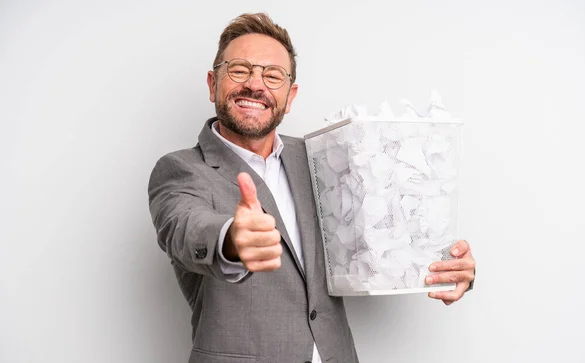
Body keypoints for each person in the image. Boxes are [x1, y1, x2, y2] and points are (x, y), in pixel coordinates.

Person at [148, 12, 476, 363]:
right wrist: (231, 237)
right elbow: (184, 228)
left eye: (272, 75)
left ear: (290, 96)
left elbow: (385, 229)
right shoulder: (180, 169)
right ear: (214, 83)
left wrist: (447, 265)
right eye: (240, 69)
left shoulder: (323, 156)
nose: (256, 85)